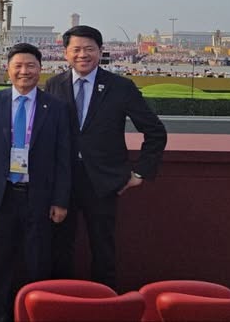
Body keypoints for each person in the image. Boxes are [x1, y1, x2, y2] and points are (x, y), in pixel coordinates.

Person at [46, 25, 167, 288]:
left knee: (103, 250)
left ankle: (106, 302)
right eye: (76, 49)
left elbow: (155, 132)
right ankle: (58, 301)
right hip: (63, 182)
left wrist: (140, 172)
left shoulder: (120, 86)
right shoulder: (54, 84)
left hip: (103, 182)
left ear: (101, 52)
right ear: (65, 53)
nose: (83, 55)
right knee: (59, 249)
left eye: (89, 49)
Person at [0, 43, 71, 322]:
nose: (24, 71)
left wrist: (60, 200)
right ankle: (2, 314)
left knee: (38, 261)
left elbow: (64, 157)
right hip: (3, 195)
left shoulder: (56, 107)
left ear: (40, 69)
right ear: (7, 69)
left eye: (30, 65)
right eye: (18, 66)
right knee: (1, 261)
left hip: (39, 197)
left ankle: (35, 314)